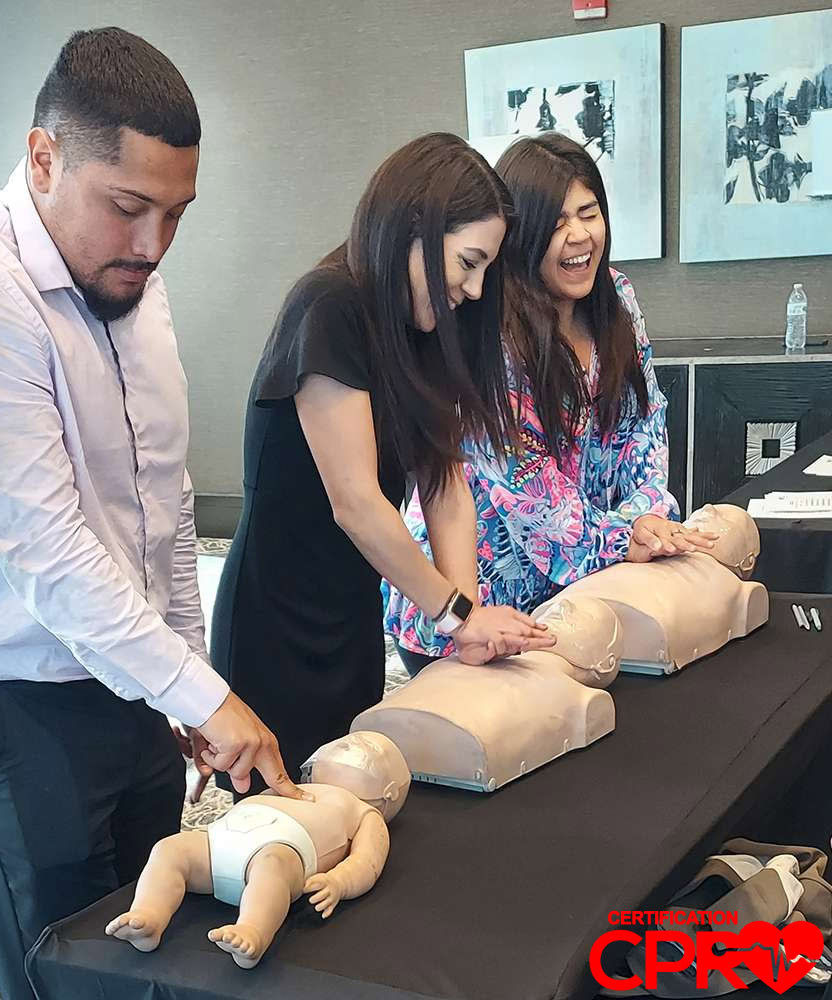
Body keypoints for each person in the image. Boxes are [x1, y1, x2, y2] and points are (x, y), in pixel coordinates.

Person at [0, 28, 299, 1000]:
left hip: (126, 676)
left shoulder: (128, 279)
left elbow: (162, 505)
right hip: (7, 701)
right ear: (43, 158)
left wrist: (187, 681)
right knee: (59, 968)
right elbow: (49, 551)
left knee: (147, 946)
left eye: (175, 213)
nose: (153, 244)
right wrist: (205, 699)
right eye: (128, 207)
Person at [209, 133, 555, 799]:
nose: (475, 289)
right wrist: (452, 614)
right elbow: (356, 503)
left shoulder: (420, 328)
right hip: (276, 622)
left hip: (350, 611)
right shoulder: (329, 307)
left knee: (360, 802)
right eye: (468, 263)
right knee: (286, 827)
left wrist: (467, 618)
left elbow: (445, 481)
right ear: (416, 229)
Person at [385, 132, 716, 675]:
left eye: (589, 213)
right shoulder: (487, 331)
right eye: (558, 222)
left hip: (587, 581)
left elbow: (645, 424)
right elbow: (526, 481)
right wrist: (621, 537)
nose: (580, 235)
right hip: (480, 604)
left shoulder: (618, 297)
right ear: (521, 236)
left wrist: (647, 515)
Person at [106, 731, 410, 969]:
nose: (348, 750)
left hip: (283, 848)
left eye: (366, 751)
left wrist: (339, 882)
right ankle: (148, 915)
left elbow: (368, 861)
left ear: (389, 791)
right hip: (220, 839)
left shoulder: (365, 812)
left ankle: (253, 931)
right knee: (170, 849)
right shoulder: (294, 785)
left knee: (271, 870)